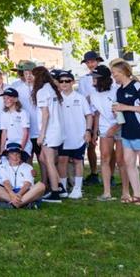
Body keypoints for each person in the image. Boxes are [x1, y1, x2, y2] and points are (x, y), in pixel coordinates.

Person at [111, 60, 140, 205]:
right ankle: (137, 195)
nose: (113, 76)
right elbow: (123, 111)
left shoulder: (138, 87)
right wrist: (117, 112)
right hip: (127, 132)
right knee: (129, 163)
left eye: (115, 73)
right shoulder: (119, 90)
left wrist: (126, 107)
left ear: (123, 72)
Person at [88, 65, 128, 201]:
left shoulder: (117, 91)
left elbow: (124, 113)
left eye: (95, 78)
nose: (92, 80)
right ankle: (107, 192)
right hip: (105, 130)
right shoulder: (93, 95)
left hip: (121, 127)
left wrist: (115, 127)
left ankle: (126, 192)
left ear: (103, 79)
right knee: (105, 158)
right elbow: (97, 115)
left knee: (121, 160)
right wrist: (94, 133)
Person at [56, 70, 92, 200]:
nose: (64, 83)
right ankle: (63, 188)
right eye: (61, 81)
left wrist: (88, 131)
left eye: (67, 81)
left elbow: (89, 115)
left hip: (78, 136)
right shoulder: (56, 98)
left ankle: (77, 188)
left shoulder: (80, 97)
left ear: (73, 82)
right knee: (62, 161)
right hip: (62, 137)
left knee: (78, 161)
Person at [32, 66, 66, 203]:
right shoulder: (52, 89)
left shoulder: (41, 92)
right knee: (42, 158)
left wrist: (41, 135)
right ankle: (60, 187)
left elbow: (45, 114)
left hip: (50, 131)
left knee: (50, 162)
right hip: (57, 130)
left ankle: (55, 192)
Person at [0, 142, 46, 209]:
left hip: (26, 192)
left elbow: (27, 184)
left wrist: (19, 194)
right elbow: (6, 182)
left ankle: (13, 205)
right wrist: (12, 194)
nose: (15, 157)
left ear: (20, 155)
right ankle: (24, 203)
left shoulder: (28, 167)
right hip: (11, 192)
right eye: (12, 154)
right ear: (8, 156)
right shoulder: (3, 168)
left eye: (17, 154)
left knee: (41, 186)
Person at [79, 51, 103, 185]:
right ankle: (91, 173)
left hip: (102, 114)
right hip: (88, 114)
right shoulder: (83, 80)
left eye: (92, 61)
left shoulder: (104, 75)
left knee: (99, 144)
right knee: (88, 145)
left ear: (97, 61)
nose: (90, 64)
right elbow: (83, 98)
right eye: (88, 62)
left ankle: (100, 172)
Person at [0, 88, 31, 159]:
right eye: (4, 98)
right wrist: (2, 148)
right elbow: (4, 132)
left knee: (23, 165)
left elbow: (26, 133)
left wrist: (21, 149)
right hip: (10, 144)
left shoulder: (23, 113)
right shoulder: (4, 114)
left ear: (16, 99)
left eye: (8, 98)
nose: (5, 100)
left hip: (22, 144)